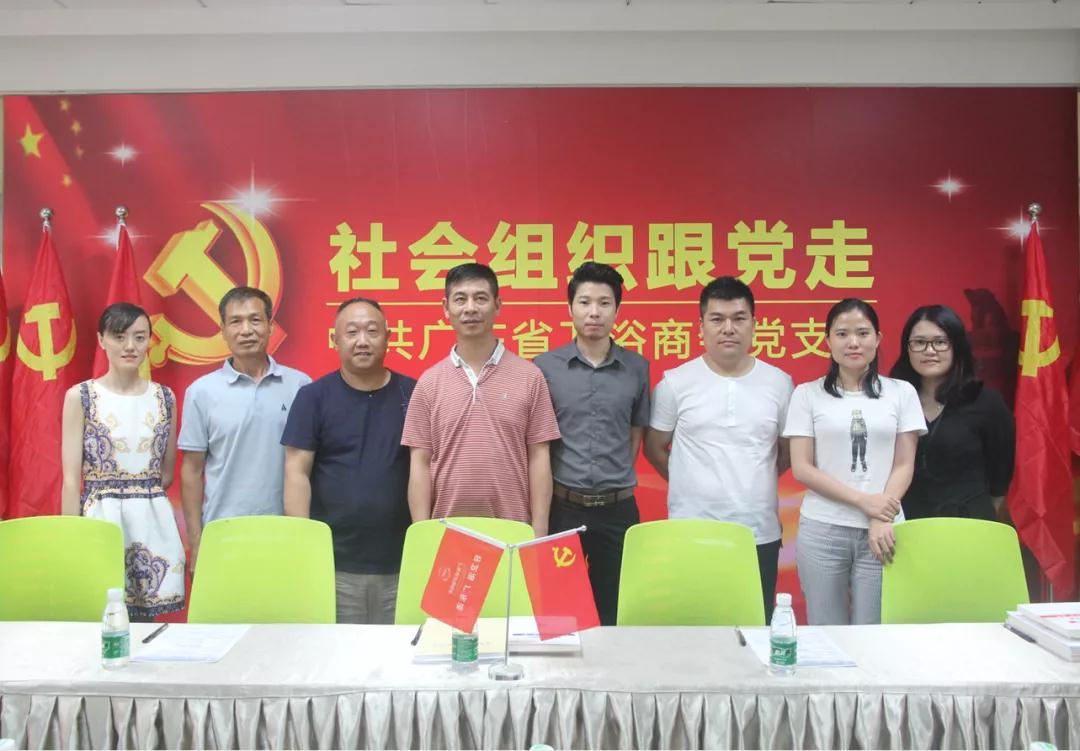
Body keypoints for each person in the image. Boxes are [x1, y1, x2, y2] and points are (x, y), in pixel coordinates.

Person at [645, 276, 794, 622]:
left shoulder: (779, 383)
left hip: (757, 532)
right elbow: (655, 447)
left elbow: (787, 451)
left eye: (739, 318)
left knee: (755, 627)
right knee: (693, 627)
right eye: (717, 319)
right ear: (701, 327)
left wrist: (752, 479)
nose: (729, 328)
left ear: (754, 325)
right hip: (692, 531)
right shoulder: (675, 383)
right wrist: (688, 482)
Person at [783, 298, 926, 625]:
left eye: (862, 333)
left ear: (878, 338)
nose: (853, 342)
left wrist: (880, 515)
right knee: (825, 628)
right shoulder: (807, 394)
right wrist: (866, 503)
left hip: (884, 530)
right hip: (823, 529)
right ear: (827, 340)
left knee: (874, 631)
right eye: (842, 334)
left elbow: (904, 464)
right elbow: (802, 468)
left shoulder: (901, 392)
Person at [281, 297, 415, 624]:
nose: (362, 341)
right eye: (352, 332)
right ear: (335, 340)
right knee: (337, 653)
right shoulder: (313, 397)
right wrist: (305, 548)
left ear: (388, 337)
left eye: (372, 331)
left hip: (402, 562)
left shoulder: (414, 394)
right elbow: (296, 472)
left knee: (400, 652)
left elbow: (428, 469)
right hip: (335, 564)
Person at [402, 263, 561, 535]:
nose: (470, 308)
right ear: (446, 308)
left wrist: (538, 533)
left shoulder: (530, 377)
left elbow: (539, 456)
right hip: (446, 533)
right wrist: (422, 534)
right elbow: (420, 462)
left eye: (480, 298)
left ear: (497, 305)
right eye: (460, 299)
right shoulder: (429, 382)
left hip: (513, 532)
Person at [534, 262, 650, 625]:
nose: (594, 312)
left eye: (604, 303)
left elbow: (634, 434)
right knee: (558, 614)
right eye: (584, 302)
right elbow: (538, 442)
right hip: (563, 508)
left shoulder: (637, 367)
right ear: (570, 308)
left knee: (615, 613)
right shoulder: (544, 367)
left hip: (618, 510)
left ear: (617, 309)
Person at [60, 303, 185, 620]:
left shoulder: (164, 397)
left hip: (151, 523)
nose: (130, 346)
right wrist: (70, 537)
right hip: (101, 520)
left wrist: (139, 497)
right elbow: (71, 479)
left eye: (139, 337)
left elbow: (166, 472)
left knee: (144, 623)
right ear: (101, 340)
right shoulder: (81, 397)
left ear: (149, 341)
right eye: (119, 336)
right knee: (98, 615)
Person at [178, 286, 311, 571]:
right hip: (223, 534)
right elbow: (191, 471)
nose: (246, 330)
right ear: (223, 330)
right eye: (236, 322)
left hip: (285, 532)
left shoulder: (301, 386)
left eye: (255, 320)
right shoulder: (201, 392)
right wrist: (196, 543)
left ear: (270, 326)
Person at [890, 304, 1015, 521]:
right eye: (919, 342)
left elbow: (1000, 475)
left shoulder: (986, 402)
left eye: (940, 342)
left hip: (970, 522)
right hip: (905, 524)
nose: (930, 351)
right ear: (907, 348)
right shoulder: (891, 401)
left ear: (957, 346)